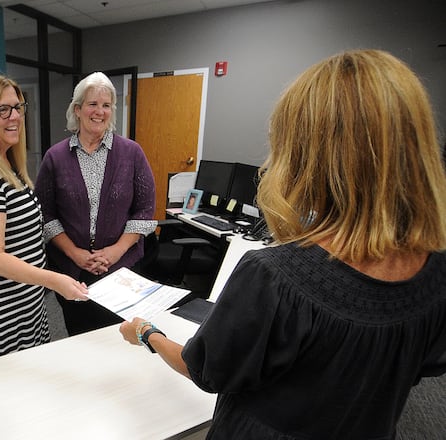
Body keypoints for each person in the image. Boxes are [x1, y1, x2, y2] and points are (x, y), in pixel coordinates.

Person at [119, 49, 446, 438]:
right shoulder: (436, 271)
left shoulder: (275, 277)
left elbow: (206, 370)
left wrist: (146, 333)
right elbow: (423, 364)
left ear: (305, 154)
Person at [0, 72, 88, 360]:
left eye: (18, 107)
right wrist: (54, 280)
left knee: (32, 367)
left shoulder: (7, 165)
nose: (15, 116)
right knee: (11, 382)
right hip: (2, 304)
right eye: (3, 109)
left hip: (26, 296)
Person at [35, 72, 157, 336]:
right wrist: (75, 253)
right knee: (80, 338)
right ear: (77, 109)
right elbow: (46, 215)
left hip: (121, 270)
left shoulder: (132, 153)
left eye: (106, 105)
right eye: (92, 104)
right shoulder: (55, 157)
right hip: (72, 271)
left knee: (121, 337)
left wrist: (114, 251)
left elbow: (145, 212)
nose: (99, 112)